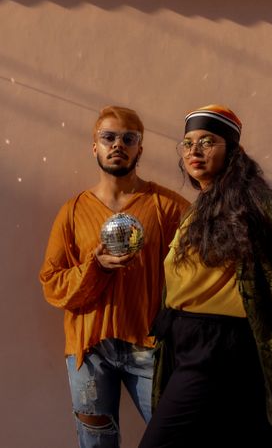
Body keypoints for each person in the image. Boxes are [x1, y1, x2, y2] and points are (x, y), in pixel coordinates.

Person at [138, 104, 272, 448]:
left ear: (234, 151)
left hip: (218, 346)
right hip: (188, 339)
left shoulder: (256, 202)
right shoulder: (200, 206)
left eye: (207, 141)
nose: (194, 151)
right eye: (187, 143)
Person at [39, 105, 190, 448]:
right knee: (96, 443)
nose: (117, 144)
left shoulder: (165, 206)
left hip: (148, 344)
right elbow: (51, 282)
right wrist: (96, 267)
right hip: (89, 350)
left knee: (177, 436)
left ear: (140, 148)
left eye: (128, 138)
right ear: (95, 146)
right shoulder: (73, 211)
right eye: (108, 137)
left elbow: (197, 262)